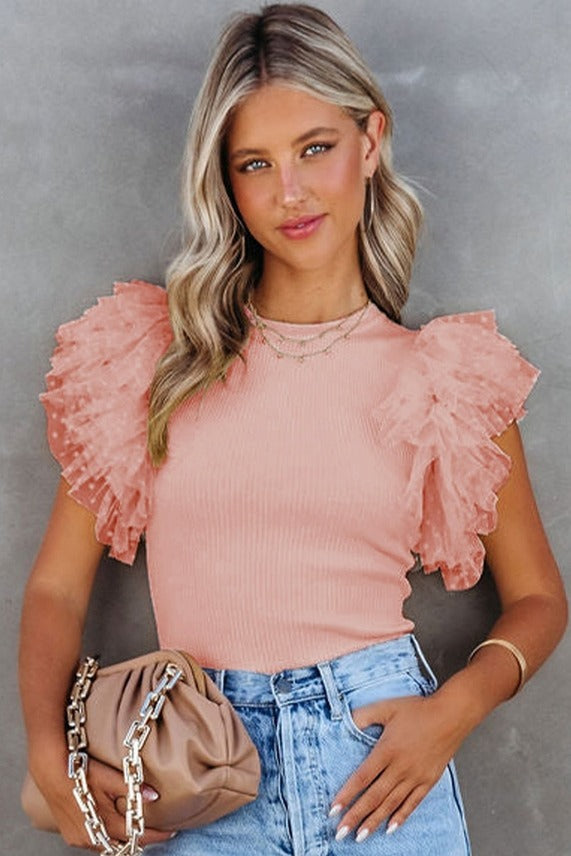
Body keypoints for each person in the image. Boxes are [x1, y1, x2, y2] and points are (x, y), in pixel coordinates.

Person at [19, 3, 567, 855]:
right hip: (199, 761)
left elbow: (538, 599)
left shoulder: (446, 379)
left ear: (370, 140)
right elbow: (56, 588)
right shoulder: (149, 361)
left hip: (380, 760)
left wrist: (453, 711)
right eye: (255, 164)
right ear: (225, 181)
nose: (290, 192)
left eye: (315, 148)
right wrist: (47, 756)